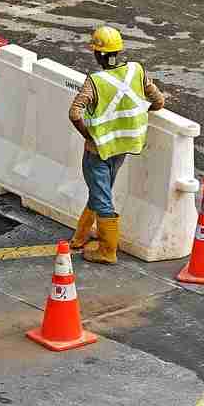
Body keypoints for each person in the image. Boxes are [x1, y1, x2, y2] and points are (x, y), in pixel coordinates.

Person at [68, 26, 166, 264]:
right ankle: (81, 236)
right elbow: (158, 102)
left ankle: (107, 250)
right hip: (124, 146)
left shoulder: (95, 81)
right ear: (118, 51)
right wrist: (140, 113)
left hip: (98, 150)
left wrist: (89, 136)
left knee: (102, 197)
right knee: (101, 190)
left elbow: (74, 113)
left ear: (97, 54)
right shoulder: (136, 70)